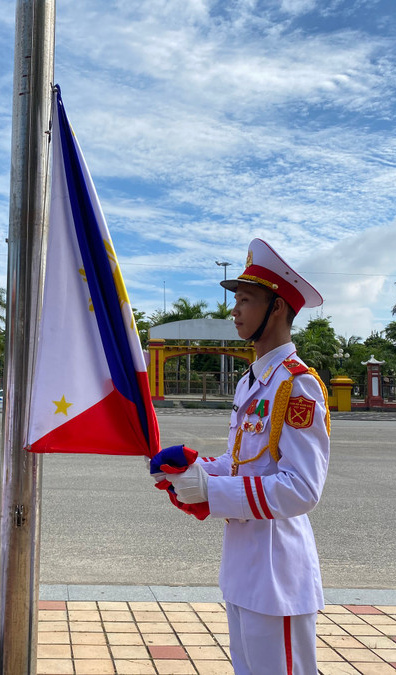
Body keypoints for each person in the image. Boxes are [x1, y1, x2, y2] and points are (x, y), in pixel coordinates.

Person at [149, 238, 330, 675]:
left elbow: (302, 489)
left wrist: (211, 491)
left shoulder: (296, 385)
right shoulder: (251, 382)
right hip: (243, 566)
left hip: (277, 572)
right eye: (236, 301)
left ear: (279, 308)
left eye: (246, 300)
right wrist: (192, 470)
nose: (235, 311)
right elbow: (243, 463)